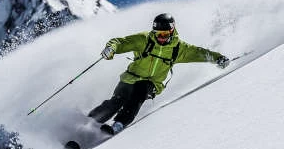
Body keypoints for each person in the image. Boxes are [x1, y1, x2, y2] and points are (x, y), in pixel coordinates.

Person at [88, 13, 230, 135]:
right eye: (158, 34)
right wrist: (111, 49)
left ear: (172, 31)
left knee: (140, 92)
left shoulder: (178, 48)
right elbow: (120, 42)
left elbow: (200, 53)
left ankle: (118, 125)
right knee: (116, 102)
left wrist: (218, 58)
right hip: (130, 78)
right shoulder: (144, 39)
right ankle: (88, 123)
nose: (161, 38)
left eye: (164, 35)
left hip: (151, 83)